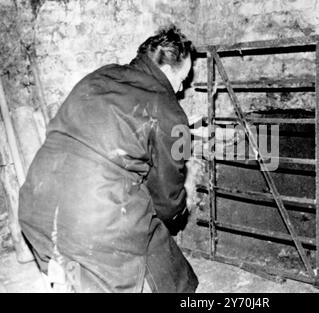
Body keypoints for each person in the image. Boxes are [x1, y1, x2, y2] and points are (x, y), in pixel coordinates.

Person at [18, 25, 198, 292]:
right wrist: (182, 204)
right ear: (169, 71)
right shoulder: (170, 110)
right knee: (142, 223)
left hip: (35, 206)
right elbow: (167, 197)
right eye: (182, 79)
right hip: (94, 223)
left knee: (154, 243)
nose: (182, 88)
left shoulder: (101, 76)